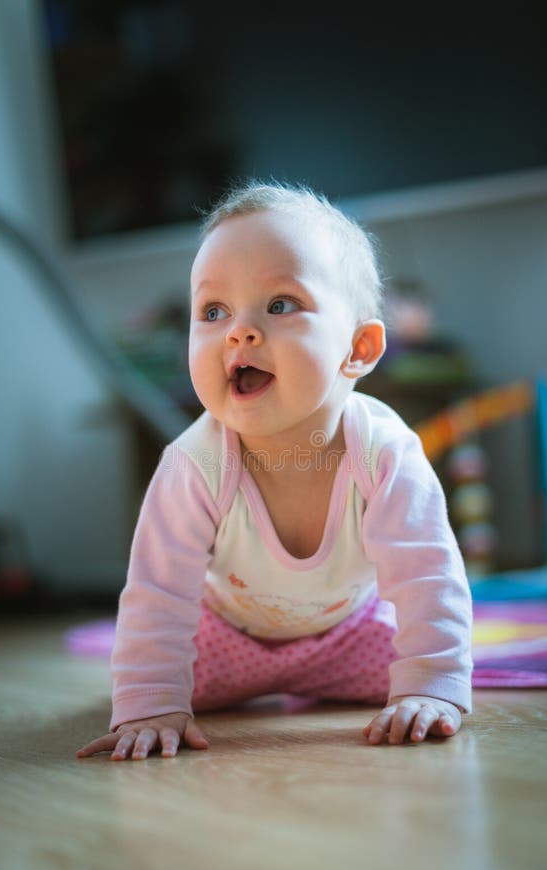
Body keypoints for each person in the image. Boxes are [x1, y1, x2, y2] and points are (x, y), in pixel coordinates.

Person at [77, 180, 473, 761]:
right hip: (222, 645)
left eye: (280, 304)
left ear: (358, 348)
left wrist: (431, 687)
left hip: (352, 638)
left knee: (416, 666)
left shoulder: (385, 452)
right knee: (160, 684)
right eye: (213, 311)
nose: (239, 330)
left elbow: (427, 576)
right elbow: (158, 594)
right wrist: (152, 702)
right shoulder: (194, 464)